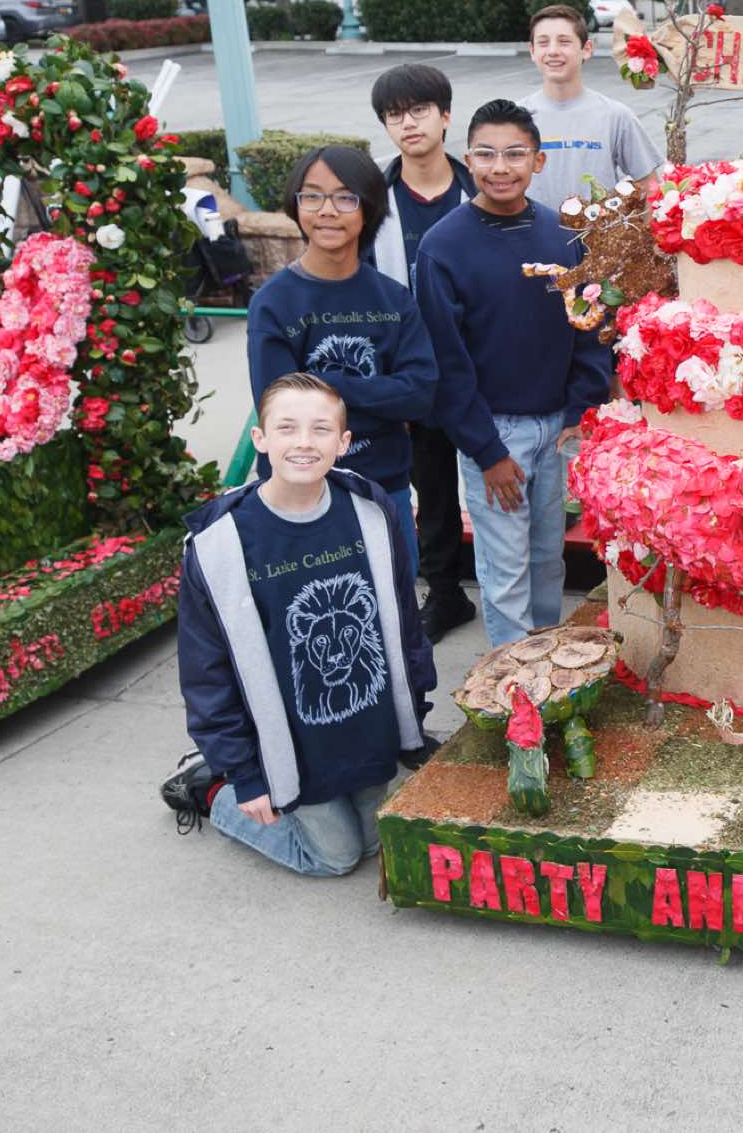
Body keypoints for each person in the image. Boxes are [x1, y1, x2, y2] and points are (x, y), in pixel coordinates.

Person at [161, 374, 437, 876]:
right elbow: (205, 670)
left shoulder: (371, 511)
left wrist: (413, 713)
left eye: (321, 429)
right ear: (260, 439)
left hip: (364, 726)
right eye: (287, 428)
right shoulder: (219, 543)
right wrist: (244, 772)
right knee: (336, 857)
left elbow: (403, 621)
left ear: (343, 441)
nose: (304, 442)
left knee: (374, 844)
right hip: (288, 743)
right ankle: (211, 787)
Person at [415, 98, 614, 646]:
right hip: (494, 432)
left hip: (558, 427)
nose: (500, 167)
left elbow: (589, 328)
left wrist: (580, 410)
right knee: (504, 568)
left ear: (538, 161)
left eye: (514, 154)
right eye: (486, 154)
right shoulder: (443, 247)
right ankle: (511, 679)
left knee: (547, 557)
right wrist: (487, 451)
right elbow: (445, 360)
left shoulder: (564, 235)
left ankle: (547, 661)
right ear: (468, 161)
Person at [246, 145, 437, 561]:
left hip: (384, 489)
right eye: (312, 196)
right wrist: (382, 396)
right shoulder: (274, 303)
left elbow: (419, 395)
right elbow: (280, 409)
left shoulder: (394, 299)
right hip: (299, 494)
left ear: (369, 208)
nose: (327, 210)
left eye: (345, 197)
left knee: (394, 597)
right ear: (296, 205)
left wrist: (326, 386)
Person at [368, 63, 480, 639]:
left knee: (495, 482)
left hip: (481, 366)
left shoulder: (480, 188)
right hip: (412, 371)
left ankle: (508, 591)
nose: (408, 123)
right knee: (430, 490)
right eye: (395, 115)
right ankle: (446, 594)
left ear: (445, 116)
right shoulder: (373, 200)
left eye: (419, 110)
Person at [522, 5, 664, 209]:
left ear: (587, 49)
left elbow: (650, 187)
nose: (553, 51)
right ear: (532, 51)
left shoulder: (615, 116)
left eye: (564, 42)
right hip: (533, 231)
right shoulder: (515, 117)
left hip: (598, 230)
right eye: (543, 43)